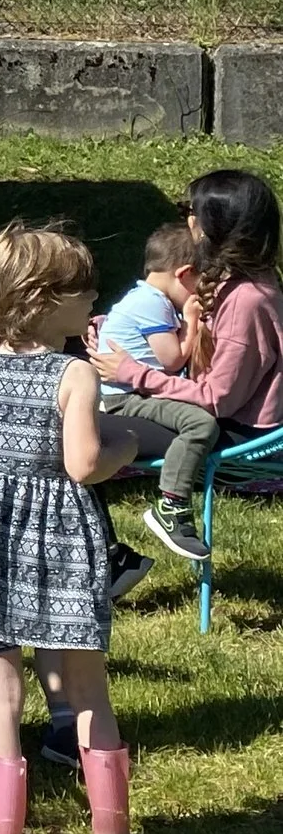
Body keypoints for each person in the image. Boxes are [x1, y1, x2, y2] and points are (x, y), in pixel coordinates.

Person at [0, 222, 146, 834]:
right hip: (65, 545)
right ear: (38, 298)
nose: (93, 299)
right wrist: (127, 444)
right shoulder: (73, 373)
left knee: (0, 693)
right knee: (87, 687)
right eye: (80, 290)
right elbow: (84, 462)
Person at [89, 170, 283, 564]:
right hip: (226, 421)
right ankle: (105, 561)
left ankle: (111, 560)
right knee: (76, 431)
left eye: (190, 211)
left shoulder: (247, 300)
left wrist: (133, 374)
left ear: (213, 226)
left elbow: (217, 400)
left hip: (237, 436)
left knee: (77, 436)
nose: (186, 220)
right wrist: (122, 333)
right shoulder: (245, 283)